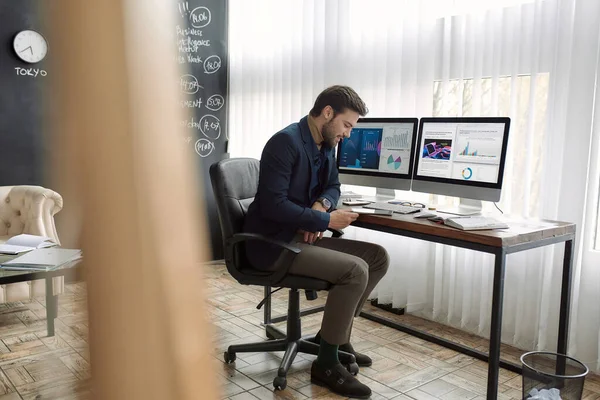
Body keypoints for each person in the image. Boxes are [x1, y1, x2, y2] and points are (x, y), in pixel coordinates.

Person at [244, 85, 389, 399]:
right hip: (272, 245)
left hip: (299, 236)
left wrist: (320, 206)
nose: (348, 134)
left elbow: (334, 186)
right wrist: (323, 221)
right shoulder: (285, 143)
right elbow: (273, 206)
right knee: (355, 271)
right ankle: (325, 365)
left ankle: (332, 339)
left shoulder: (326, 143)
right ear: (327, 113)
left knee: (377, 257)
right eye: (347, 125)